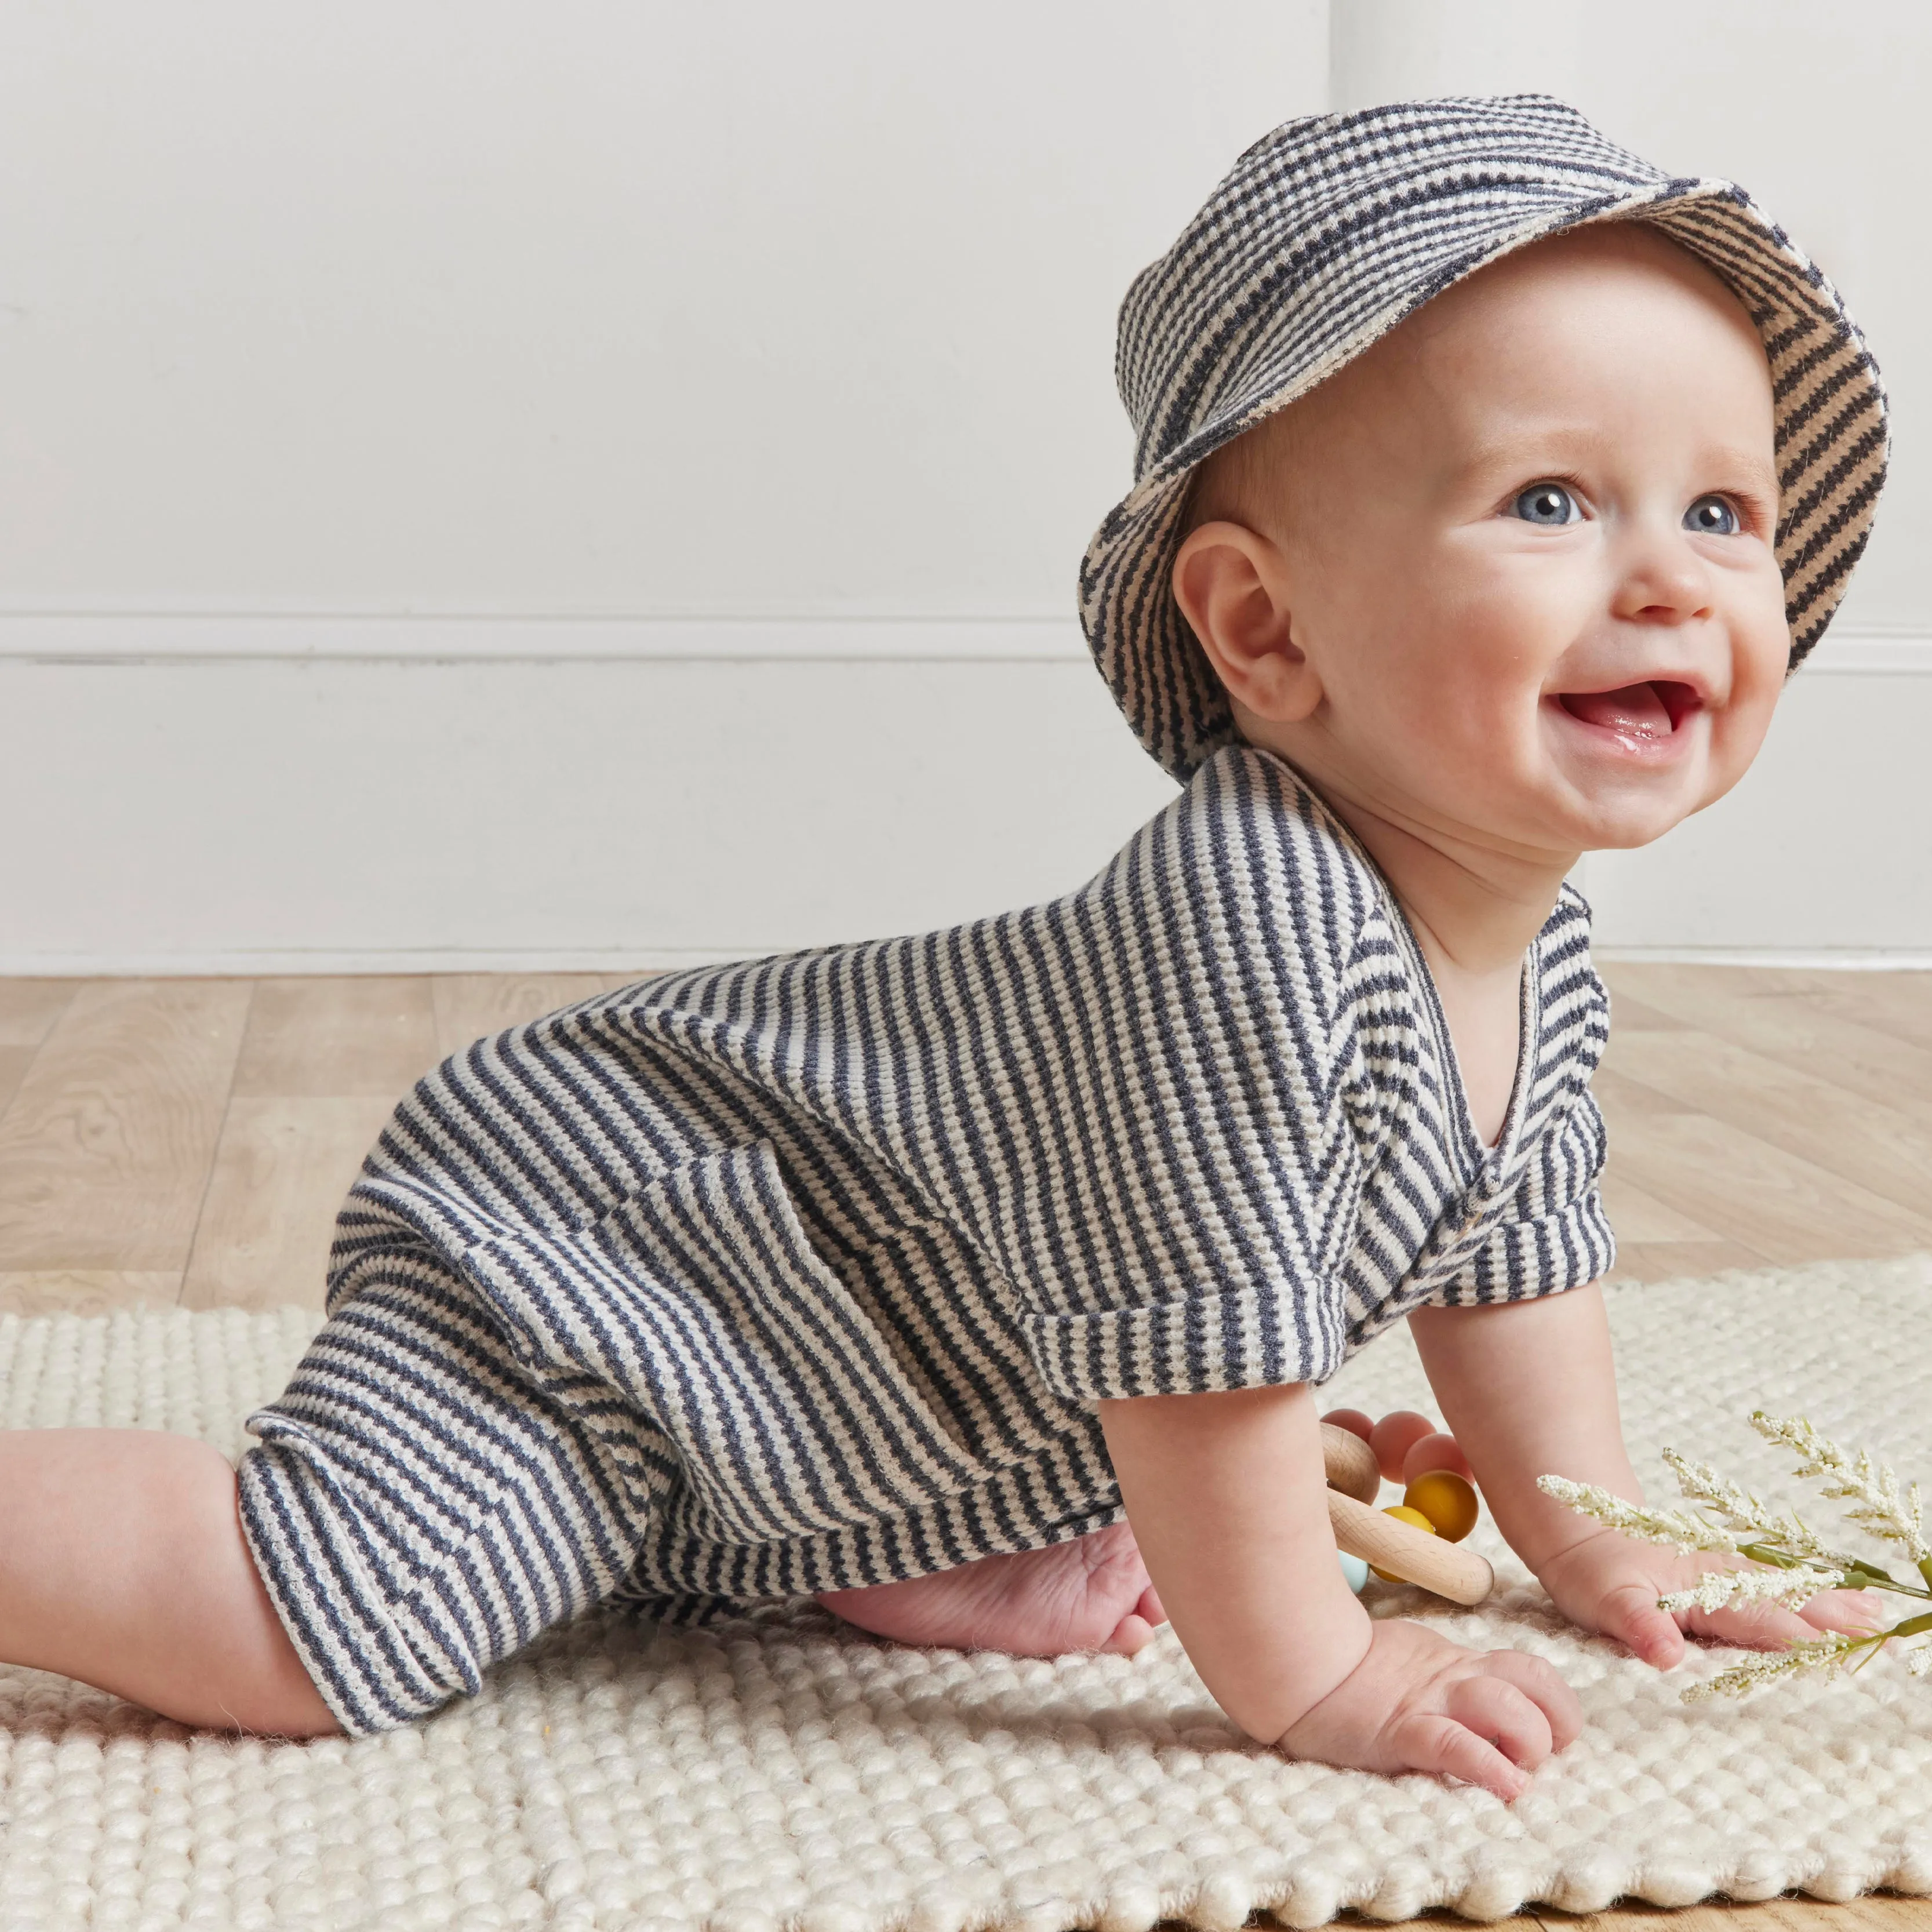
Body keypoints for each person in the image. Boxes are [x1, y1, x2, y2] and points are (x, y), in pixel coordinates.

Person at [0, 97, 1891, 1799]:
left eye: (1722, 508)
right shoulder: (1250, 936)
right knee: (325, 1625)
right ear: (1263, 631)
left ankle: (851, 1526)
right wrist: (1312, 1674)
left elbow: (1515, 1255)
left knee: (1081, 1499)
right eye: (1548, 502)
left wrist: (1595, 1533)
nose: (1672, 576)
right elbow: (1192, 1369)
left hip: (845, 1346)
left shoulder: (1529, 941)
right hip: (613, 1257)